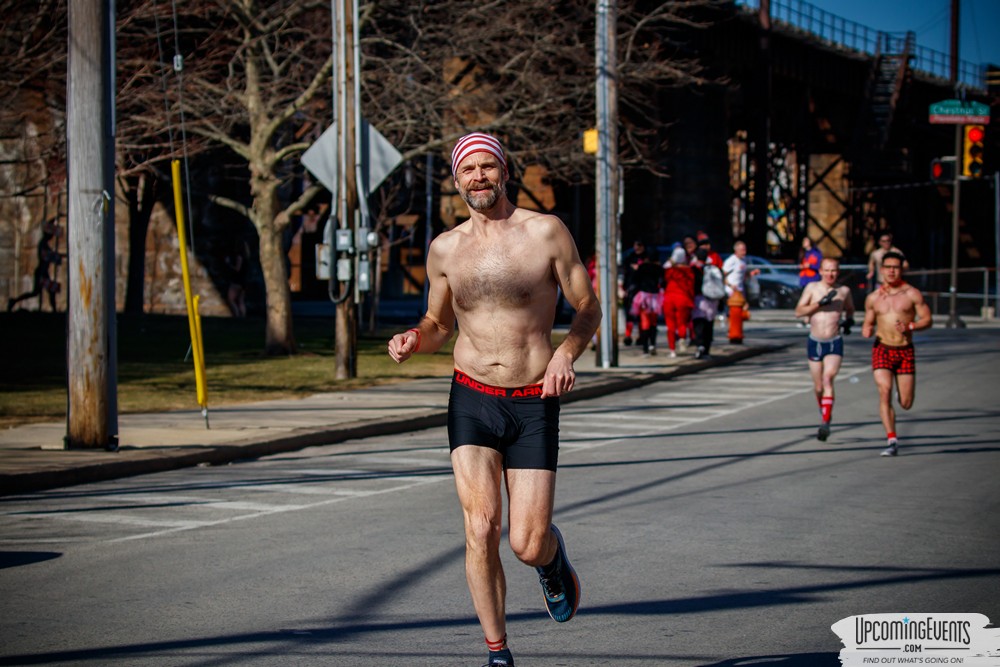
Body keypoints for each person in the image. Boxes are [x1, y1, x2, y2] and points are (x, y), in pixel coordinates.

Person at [387, 132, 601, 667]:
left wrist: (565, 354)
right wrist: (417, 339)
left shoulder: (545, 232)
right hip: (472, 396)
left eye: (487, 167)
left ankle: (552, 561)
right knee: (481, 526)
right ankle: (497, 652)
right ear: (457, 180)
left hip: (533, 401)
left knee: (525, 543)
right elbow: (438, 323)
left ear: (503, 171)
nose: (478, 177)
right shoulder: (445, 249)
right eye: (468, 170)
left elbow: (588, 306)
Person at [861, 251, 932, 457]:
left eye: (896, 267)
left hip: (904, 350)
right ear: (881, 269)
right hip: (882, 348)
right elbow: (868, 321)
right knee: (884, 391)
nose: (891, 271)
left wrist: (911, 326)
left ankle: (901, 391)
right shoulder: (873, 297)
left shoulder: (912, 294)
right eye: (888, 267)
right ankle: (891, 439)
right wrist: (866, 329)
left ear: (901, 269)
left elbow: (927, 320)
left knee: (906, 403)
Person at [794, 257, 855, 441]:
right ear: (820, 271)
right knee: (819, 386)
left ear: (838, 272)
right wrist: (820, 303)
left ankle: (825, 422)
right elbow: (798, 312)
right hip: (815, 341)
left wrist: (849, 321)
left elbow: (850, 309)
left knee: (828, 379)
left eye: (834, 270)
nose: (830, 274)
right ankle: (824, 412)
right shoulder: (812, 288)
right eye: (827, 270)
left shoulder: (843, 291)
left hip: (834, 341)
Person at [8, 221, 64, 313]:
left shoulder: (44, 244)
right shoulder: (43, 244)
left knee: (49, 291)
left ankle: (54, 310)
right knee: (36, 292)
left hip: (44, 272)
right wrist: (57, 257)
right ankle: (14, 301)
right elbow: (48, 256)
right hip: (41, 272)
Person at [722, 240, 759, 344]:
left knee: (742, 313)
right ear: (736, 250)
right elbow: (723, 275)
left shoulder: (743, 261)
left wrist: (752, 273)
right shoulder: (731, 261)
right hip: (731, 292)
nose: (744, 251)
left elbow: (743, 276)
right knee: (732, 314)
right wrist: (730, 285)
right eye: (742, 249)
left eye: (745, 249)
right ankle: (731, 333)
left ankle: (737, 333)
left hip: (740, 291)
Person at [662, 246, 695, 358]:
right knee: (682, 322)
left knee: (670, 325)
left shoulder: (670, 270)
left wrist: (671, 261)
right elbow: (691, 287)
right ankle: (682, 337)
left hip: (669, 298)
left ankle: (672, 350)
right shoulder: (689, 271)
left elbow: (664, 273)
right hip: (683, 298)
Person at [628, 251, 663, 355]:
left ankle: (645, 347)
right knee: (653, 322)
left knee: (645, 322)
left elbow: (634, 280)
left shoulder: (642, 267)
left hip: (643, 296)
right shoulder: (659, 269)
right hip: (655, 297)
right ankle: (652, 344)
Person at [690, 247, 720, 359]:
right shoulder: (712, 268)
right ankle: (706, 349)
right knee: (709, 324)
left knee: (698, 323)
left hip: (699, 299)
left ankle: (699, 345)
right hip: (712, 300)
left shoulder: (694, 269)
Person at [622, 239, 651, 346]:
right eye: (635, 245)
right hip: (631, 290)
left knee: (641, 315)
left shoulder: (647, 259)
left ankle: (641, 336)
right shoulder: (630, 258)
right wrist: (625, 288)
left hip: (643, 290)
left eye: (639, 245)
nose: (637, 248)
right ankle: (628, 335)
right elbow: (626, 274)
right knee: (629, 314)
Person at [224, 239, 249, 318]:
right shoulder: (247, 256)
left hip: (237, 281)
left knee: (230, 299)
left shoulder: (239, 257)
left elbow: (237, 269)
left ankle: (237, 314)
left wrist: (229, 264)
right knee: (241, 301)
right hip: (243, 281)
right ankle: (243, 316)